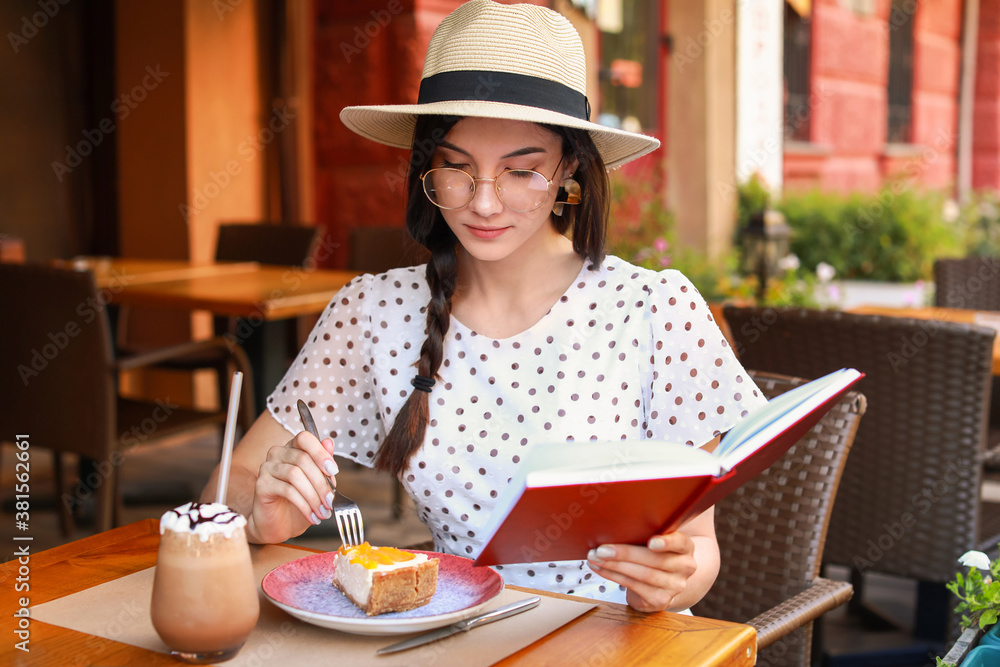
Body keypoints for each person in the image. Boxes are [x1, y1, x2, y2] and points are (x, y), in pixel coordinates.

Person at [202, 0, 767, 614]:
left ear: (570, 167)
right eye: (457, 169)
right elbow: (221, 493)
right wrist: (259, 516)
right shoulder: (373, 312)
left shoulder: (655, 310)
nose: (485, 205)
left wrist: (669, 582)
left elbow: (699, 552)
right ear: (427, 165)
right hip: (456, 636)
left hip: (621, 642)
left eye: (521, 172)